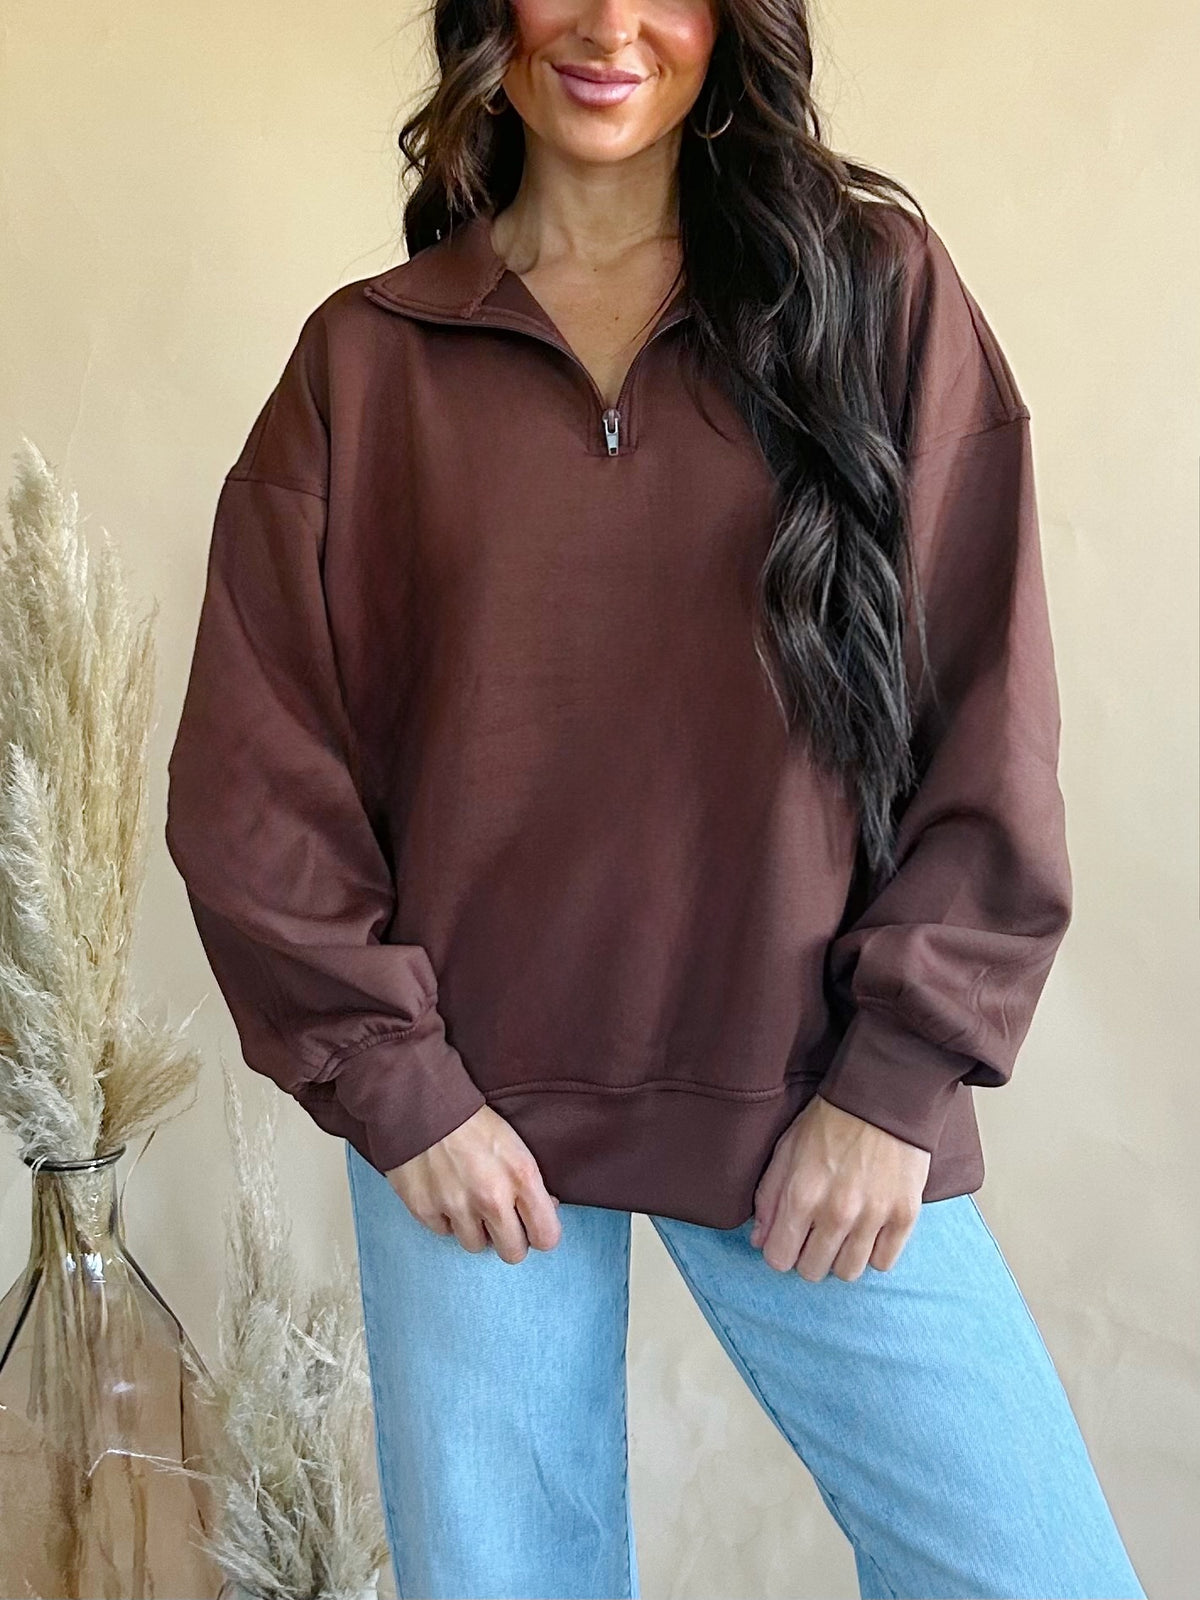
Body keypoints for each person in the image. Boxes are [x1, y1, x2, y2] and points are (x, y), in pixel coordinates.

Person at [164, 2, 1148, 1596]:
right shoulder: (367, 359)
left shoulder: (874, 293)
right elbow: (256, 773)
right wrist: (400, 1087)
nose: (613, 27)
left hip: (811, 1086)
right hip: (467, 1123)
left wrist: (898, 1075)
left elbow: (985, 697)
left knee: (1031, 1569)